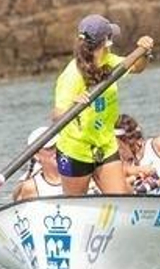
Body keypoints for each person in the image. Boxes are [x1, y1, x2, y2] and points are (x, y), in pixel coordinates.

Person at [51, 15, 153, 196]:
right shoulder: (72, 75)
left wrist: (144, 53)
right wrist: (73, 106)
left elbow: (137, 67)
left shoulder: (110, 60)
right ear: (106, 41)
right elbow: (57, 116)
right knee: (76, 206)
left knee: (121, 198)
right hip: (75, 150)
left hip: (104, 145)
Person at [13, 130, 67, 201]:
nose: (57, 151)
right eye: (50, 148)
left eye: (59, 145)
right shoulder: (30, 188)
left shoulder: (81, 176)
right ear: (36, 155)